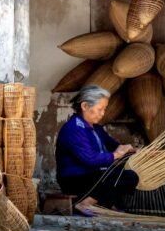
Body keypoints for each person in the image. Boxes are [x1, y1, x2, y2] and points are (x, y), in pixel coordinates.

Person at [55, 84, 139, 216]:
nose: (103, 113)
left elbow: (113, 145)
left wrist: (132, 150)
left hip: (93, 176)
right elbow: (89, 159)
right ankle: (84, 204)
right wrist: (115, 155)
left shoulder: (96, 128)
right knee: (117, 176)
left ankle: (109, 206)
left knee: (129, 176)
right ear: (85, 106)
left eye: (104, 109)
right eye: (100, 109)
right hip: (74, 179)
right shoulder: (74, 128)